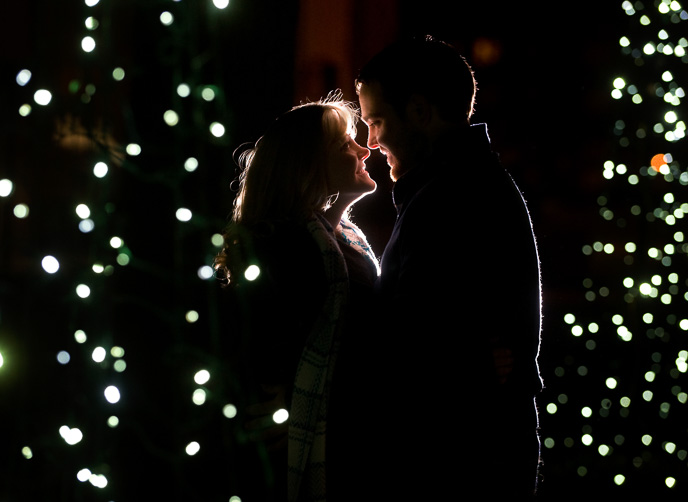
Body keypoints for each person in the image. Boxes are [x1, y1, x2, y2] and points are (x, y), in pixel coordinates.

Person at [352, 36, 543, 498]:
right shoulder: (455, 185)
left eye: (377, 122)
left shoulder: (451, 198)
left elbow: (415, 343)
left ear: (420, 111)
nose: (372, 142)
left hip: (454, 462)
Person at [214, 93, 379, 501]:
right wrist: (281, 401)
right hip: (307, 453)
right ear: (307, 166)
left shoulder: (348, 243)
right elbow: (252, 348)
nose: (364, 150)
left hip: (350, 440)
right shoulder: (282, 250)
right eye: (344, 144)